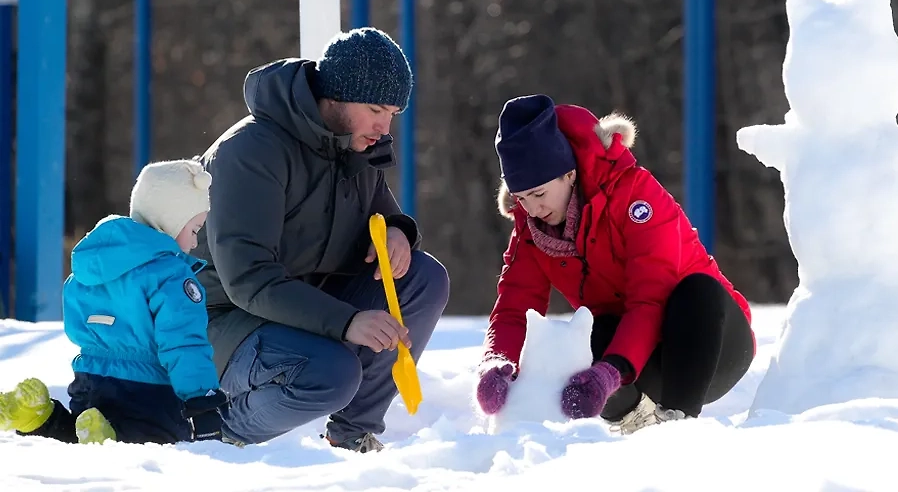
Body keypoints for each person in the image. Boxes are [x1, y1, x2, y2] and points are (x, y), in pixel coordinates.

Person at [192, 26, 450, 453]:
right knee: (331, 373)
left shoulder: (355, 143)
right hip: (216, 319)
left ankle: (352, 435)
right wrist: (348, 322)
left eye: (392, 114)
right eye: (375, 109)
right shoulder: (251, 152)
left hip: (298, 303)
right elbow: (249, 280)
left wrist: (398, 234)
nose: (384, 127)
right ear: (335, 97)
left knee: (423, 277)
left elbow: (381, 213)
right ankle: (215, 433)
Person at [476, 94, 756, 435]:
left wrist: (612, 370)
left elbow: (651, 297)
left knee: (696, 291)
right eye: (521, 198)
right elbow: (514, 305)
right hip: (638, 355)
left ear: (568, 174)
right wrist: (496, 361)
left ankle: (679, 426)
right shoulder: (531, 227)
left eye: (539, 194)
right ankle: (632, 419)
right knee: (591, 332)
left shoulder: (635, 195)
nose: (532, 209)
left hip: (711, 345)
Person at [0, 159, 228, 445]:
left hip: (89, 377)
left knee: (78, 433)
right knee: (153, 443)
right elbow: (184, 342)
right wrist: (202, 400)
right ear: (172, 219)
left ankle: (39, 418)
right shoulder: (171, 274)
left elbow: (75, 318)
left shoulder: (94, 263)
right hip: (149, 388)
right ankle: (106, 439)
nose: (195, 244)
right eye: (194, 229)